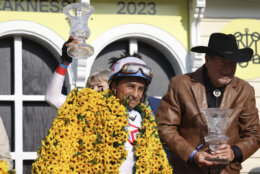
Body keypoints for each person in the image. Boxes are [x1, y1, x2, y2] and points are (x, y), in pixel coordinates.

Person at [33, 43, 172, 173]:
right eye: (130, 86)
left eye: (140, 88)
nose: (135, 94)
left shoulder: (147, 117)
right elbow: (53, 97)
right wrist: (65, 62)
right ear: (113, 85)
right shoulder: (91, 106)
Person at [156, 33, 260, 173]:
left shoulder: (245, 90)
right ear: (207, 60)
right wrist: (192, 155)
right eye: (223, 62)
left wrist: (234, 152)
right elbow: (165, 127)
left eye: (232, 63)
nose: (228, 69)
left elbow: (254, 134)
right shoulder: (180, 85)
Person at [45, 37, 110, 109]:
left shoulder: (121, 108)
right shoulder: (82, 106)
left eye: (100, 86)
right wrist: (64, 62)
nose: (94, 91)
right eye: (91, 88)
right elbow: (53, 98)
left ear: (112, 88)